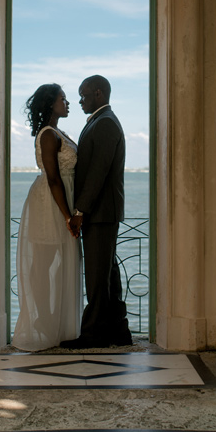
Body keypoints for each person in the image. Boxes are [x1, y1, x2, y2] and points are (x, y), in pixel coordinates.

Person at [62, 75, 133, 349]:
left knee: (96, 276)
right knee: (107, 274)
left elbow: (97, 174)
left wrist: (80, 210)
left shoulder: (105, 123)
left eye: (84, 95)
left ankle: (93, 334)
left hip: (101, 213)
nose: (80, 101)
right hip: (102, 212)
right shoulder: (101, 121)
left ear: (99, 94)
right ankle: (119, 331)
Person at [12, 83, 83, 351]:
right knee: (42, 263)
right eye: (63, 99)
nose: (68, 103)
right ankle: (41, 319)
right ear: (50, 103)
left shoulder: (58, 131)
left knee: (52, 261)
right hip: (49, 203)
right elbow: (53, 178)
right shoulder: (48, 135)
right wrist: (68, 216)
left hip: (61, 199)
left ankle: (51, 321)